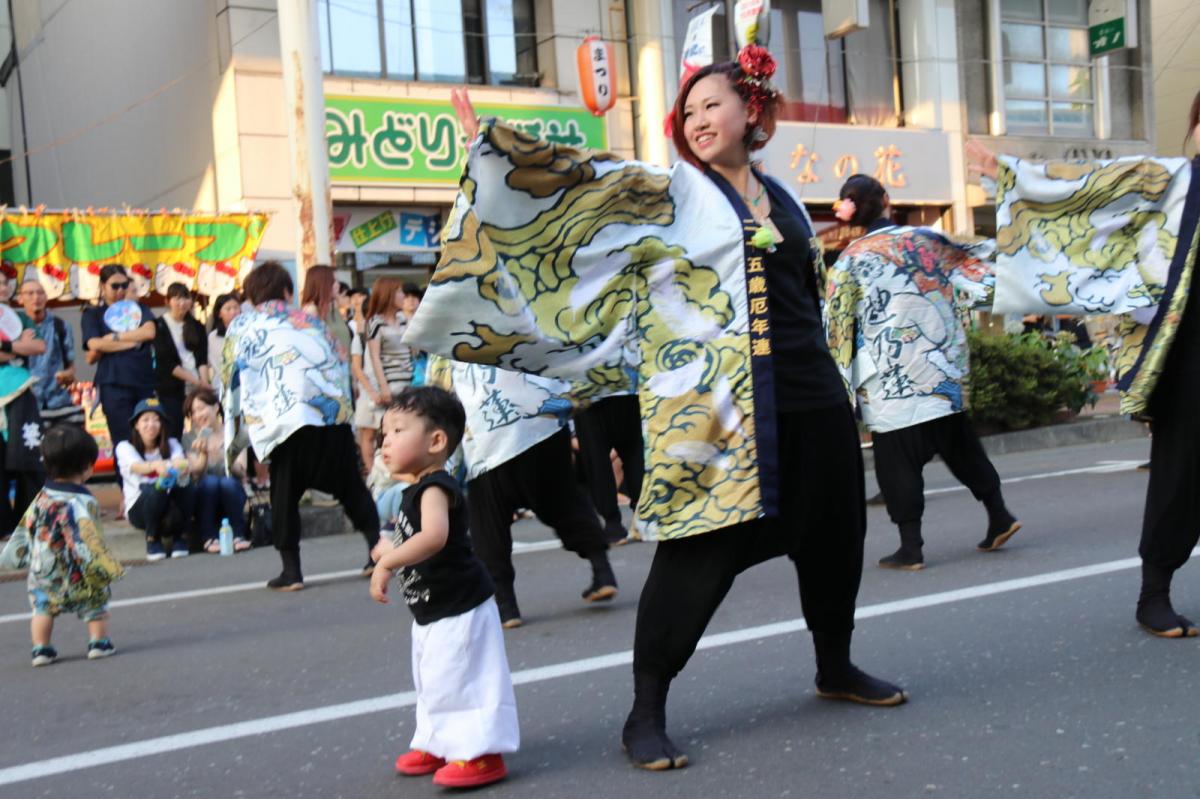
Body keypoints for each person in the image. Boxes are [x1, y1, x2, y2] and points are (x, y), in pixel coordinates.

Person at [409, 49, 906, 770]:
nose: (699, 120)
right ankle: (645, 711)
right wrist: (488, 151)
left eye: (714, 105)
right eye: (691, 110)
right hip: (718, 412)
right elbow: (575, 192)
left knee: (834, 536)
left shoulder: (789, 196)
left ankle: (835, 665)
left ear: (753, 112)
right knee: (697, 554)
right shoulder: (672, 193)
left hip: (814, 401)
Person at [965, 88, 1200, 639]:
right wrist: (1009, 173)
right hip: (1189, 354)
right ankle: (1154, 594)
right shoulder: (1168, 180)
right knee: (1181, 475)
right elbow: (1081, 192)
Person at [825, 174, 1020, 570]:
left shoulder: (848, 261)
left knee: (897, 463)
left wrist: (842, 381)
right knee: (962, 448)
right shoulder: (926, 240)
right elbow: (977, 269)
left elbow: (837, 325)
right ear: (885, 200)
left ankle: (910, 547)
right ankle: (999, 513)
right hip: (940, 367)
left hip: (889, 378)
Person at [369, 388, 518, 788]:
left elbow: (433, 537)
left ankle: (482, 752)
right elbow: (409, 542)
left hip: (460, 607)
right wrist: (388, 558)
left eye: (398, 430)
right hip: (432, 609)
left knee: (462, 678)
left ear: (436, 442)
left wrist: (387, 560)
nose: (386, 440)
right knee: (433, 678)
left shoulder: (436, 487)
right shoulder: (412, 491)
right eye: (384, 433)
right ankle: (437, 741)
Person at [222, 261, 379, 590]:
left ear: (251, 295)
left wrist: (237, 434)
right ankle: (377, 551)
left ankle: (291, 571)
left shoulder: (242, 325)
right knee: (351, 487)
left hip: (282, 421)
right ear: (287, 291)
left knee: (284, 495)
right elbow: (337, 363)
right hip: (327, 415)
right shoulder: (310, 322)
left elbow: (231, 378)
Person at [434, 359, 619, 628]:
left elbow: (441, 392)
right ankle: (602, 570)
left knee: (489, 522)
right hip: (541, 420)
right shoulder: (526, 315)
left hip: (488, 433)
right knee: (564, 501)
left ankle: (506, 605)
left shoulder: (450, 327)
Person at [0, 424, 122, 666]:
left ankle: (41, 649)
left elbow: (27, 529)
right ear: (88, 467)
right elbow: (91, 536)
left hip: (43, 569)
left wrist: (13, 557)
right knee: (94, 604)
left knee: (43, 609)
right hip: (79, 569)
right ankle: (98, 642)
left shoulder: (40, 498)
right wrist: (104, 564)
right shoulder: (86, 500)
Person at [81, 265, 158, 449]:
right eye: (114, 286)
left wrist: (115, 338)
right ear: (102, 286)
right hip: (113, 383)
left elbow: (149, 332)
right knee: (123, 440)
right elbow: (94, 344)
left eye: (124, 285)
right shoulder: (93, 313)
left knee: (149, 438)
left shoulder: (139, 309)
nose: (120, 290)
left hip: (143, 381)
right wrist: (133, 341)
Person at [115, 398, 193, 561]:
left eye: (157, 420)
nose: (151, 424)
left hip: (170, 507)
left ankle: (181, 537)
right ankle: (152, 539)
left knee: (186, 484)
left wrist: (178, 466)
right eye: (146, 420)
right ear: (136, 424)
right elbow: (137, 467)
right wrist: (157, 466)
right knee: (154, 489)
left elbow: (181, 463)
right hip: (140, 510)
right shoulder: (124, 447)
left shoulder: (172, 444)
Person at [184, 386, 250, 554]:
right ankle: (209, 536)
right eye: (193, 412)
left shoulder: (233, 433)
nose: (199, 415)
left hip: (232, 491)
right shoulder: (189, 438)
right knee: (210, 482)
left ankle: (238, 534)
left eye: (201, 408)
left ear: (215, 407)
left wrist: (227, 458)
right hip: (205, 494)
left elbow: (242, 470)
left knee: (227, 483)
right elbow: (195, 472)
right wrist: (204, 455)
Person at [573, 392, 644, 543]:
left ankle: (613, 524)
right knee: (634, 452)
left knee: (597, 463)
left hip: (588, 394)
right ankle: (641, 516)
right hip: (623, 390)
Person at [16, 278, 83, 426]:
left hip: (58, 402)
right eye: (30, 293)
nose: (36, 297)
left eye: (40, 293)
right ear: (20, 299)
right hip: (26, 402)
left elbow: (70, 366)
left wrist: (66, 374)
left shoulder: (61, 326)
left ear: (46, 297)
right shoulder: (14, 327)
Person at [154, 283, 210, 439]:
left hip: (197, 385)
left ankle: (200, 462)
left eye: (186, 298)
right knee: (173, 431)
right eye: (177, 298)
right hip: (171, 388)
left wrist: (203, 382)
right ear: (167, 301)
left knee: (202, 429)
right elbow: (165, 362)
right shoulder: (158, 326)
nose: (182, 303)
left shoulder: (197, 326)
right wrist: (194, 380)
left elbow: (202, 357)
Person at [364, 277, 414, 406]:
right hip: (392, 384)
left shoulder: (403, 319)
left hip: (412, 381)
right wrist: (383, 387)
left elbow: (414, 351)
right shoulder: (376, 323)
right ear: (389, 295)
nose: (403, 296)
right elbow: (375, 358)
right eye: (399, 292)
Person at [301, 264, 353, 356]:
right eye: (333, 281)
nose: (337, 284)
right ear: (322, 283)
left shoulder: (332, 308)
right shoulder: (311, 310)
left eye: (337, 281)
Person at [207, 292, 242, 395]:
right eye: (228, 309)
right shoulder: (213, 337)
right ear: (219, 313)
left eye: (236, 307)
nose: (233, 312)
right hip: (222, 387)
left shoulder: (247, 332)